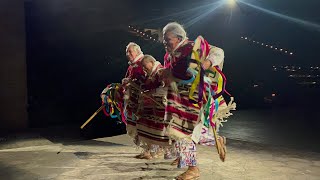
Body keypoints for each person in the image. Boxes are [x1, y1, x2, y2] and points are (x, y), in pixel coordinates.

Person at [162, 22, 236, 180]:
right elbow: (171, 75)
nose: (165, 42)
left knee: (184, 134)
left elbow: (218, 52)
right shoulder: (169, 55)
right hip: (178, 100)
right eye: (164, 39)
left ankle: (193, 169)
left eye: (167, 39)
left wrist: (208, 62)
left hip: (195, 99)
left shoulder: (191, 47)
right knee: (185, 133)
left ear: (179, 38)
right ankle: (213, 139)